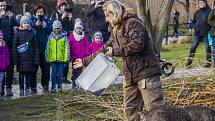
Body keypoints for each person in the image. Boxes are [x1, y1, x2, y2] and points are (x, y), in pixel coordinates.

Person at [73, 1, 164, 120]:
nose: (106, 19)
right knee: (130, 110)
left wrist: (115, 51)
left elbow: (137, 45)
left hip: (146, 73)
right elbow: (104, 49)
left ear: (115, 13)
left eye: (108, 15)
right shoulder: (115, 30)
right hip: (130, 76)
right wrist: (84, 61)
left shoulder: (134, 23)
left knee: (156, 110)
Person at [12, 16, 39, 96]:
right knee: (21, 75)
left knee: (29, 75)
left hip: (30, 59)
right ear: (21, 24)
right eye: (24, 23)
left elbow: (36, 47)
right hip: (21, 59)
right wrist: (15, 60)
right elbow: (14, 47)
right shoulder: (17, 33)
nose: (26, 24)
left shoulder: (32, 33)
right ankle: (21, 89)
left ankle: (27, 88)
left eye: (27, 23)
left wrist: (36, 59)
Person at [50, 0, 73, 84]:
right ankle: (56, 77)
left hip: (66, 38)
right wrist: (61, 18)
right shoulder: (54, 14)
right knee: (57, 59)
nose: (64, 7)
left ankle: (65, 78)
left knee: (66, 59)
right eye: (62, 6)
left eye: (65, 6)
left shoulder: (67, 15)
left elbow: (71, 28)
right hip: (57, 40)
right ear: (59, 7)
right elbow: (53, 25)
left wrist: (70, 19)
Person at [30, 4, 52, 93]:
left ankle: (45, 85)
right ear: (35, 13)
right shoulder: (32, 20)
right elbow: (28, 28)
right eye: (38, 12)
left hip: (45, 48)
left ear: (44, 13)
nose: (40, 13)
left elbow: (50, 31)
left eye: (41, 12)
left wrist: (45, 26)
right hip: (34, 49)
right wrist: (35, 25)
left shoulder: (48, 20)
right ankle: (33, 86)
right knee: (34, 69)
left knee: (46, 69)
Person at [45, 20, 70, 93]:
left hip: (61, 59)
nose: (57, 30)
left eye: (58, 28)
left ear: (61, 28)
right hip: (53, 59)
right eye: (55, 28)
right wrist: (48, 57)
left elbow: (67, 48)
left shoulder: (64, 37)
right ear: (53, 28)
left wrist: (66, 58)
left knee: (60, 73)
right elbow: (48, 48)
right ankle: (53, 86)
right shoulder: (50, 37)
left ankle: (59, 85)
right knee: (53, 73)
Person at [186, 0, 212, 68]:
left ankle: (208, 63)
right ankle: (189, 63)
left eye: (202, 2)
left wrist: (209, 29)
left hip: (207, 33)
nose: (201, 4)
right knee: (193, 47)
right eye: (199, 3)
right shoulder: (197, 12)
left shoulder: (210, 11)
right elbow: (193, 22)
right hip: (197, 33)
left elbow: (212, 21)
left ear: (205, 3)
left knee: (207, 48)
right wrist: (195, 27)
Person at [0, 0, 18, 96]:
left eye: (4, 6)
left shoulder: (10, 16)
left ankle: (9, 87)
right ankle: (1, 88)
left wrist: (12, 17)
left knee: (10, 67)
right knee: (1, 68)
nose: (3, 8)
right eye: (1, 6)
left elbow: (17, 25)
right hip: (0, 47)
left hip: (10, 46)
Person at [69, 19, 90, 88]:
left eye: (80, 28)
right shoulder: (72, 37)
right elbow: (69, 46)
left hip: (82, 58)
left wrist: (87, 55)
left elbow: (86, 47)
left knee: (81, 71)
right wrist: (69, 56)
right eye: (77, 28)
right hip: (74, 58)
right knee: (75, 71)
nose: (78, 30)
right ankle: (74, 84)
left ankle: (80, 84)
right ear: (75, 29)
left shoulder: (84, 37)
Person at [0, 30, 9, 100]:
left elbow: (7, 55)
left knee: (1, 80)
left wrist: (7, 63)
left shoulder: (5, 45)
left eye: (1, 37)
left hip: (2, 67)